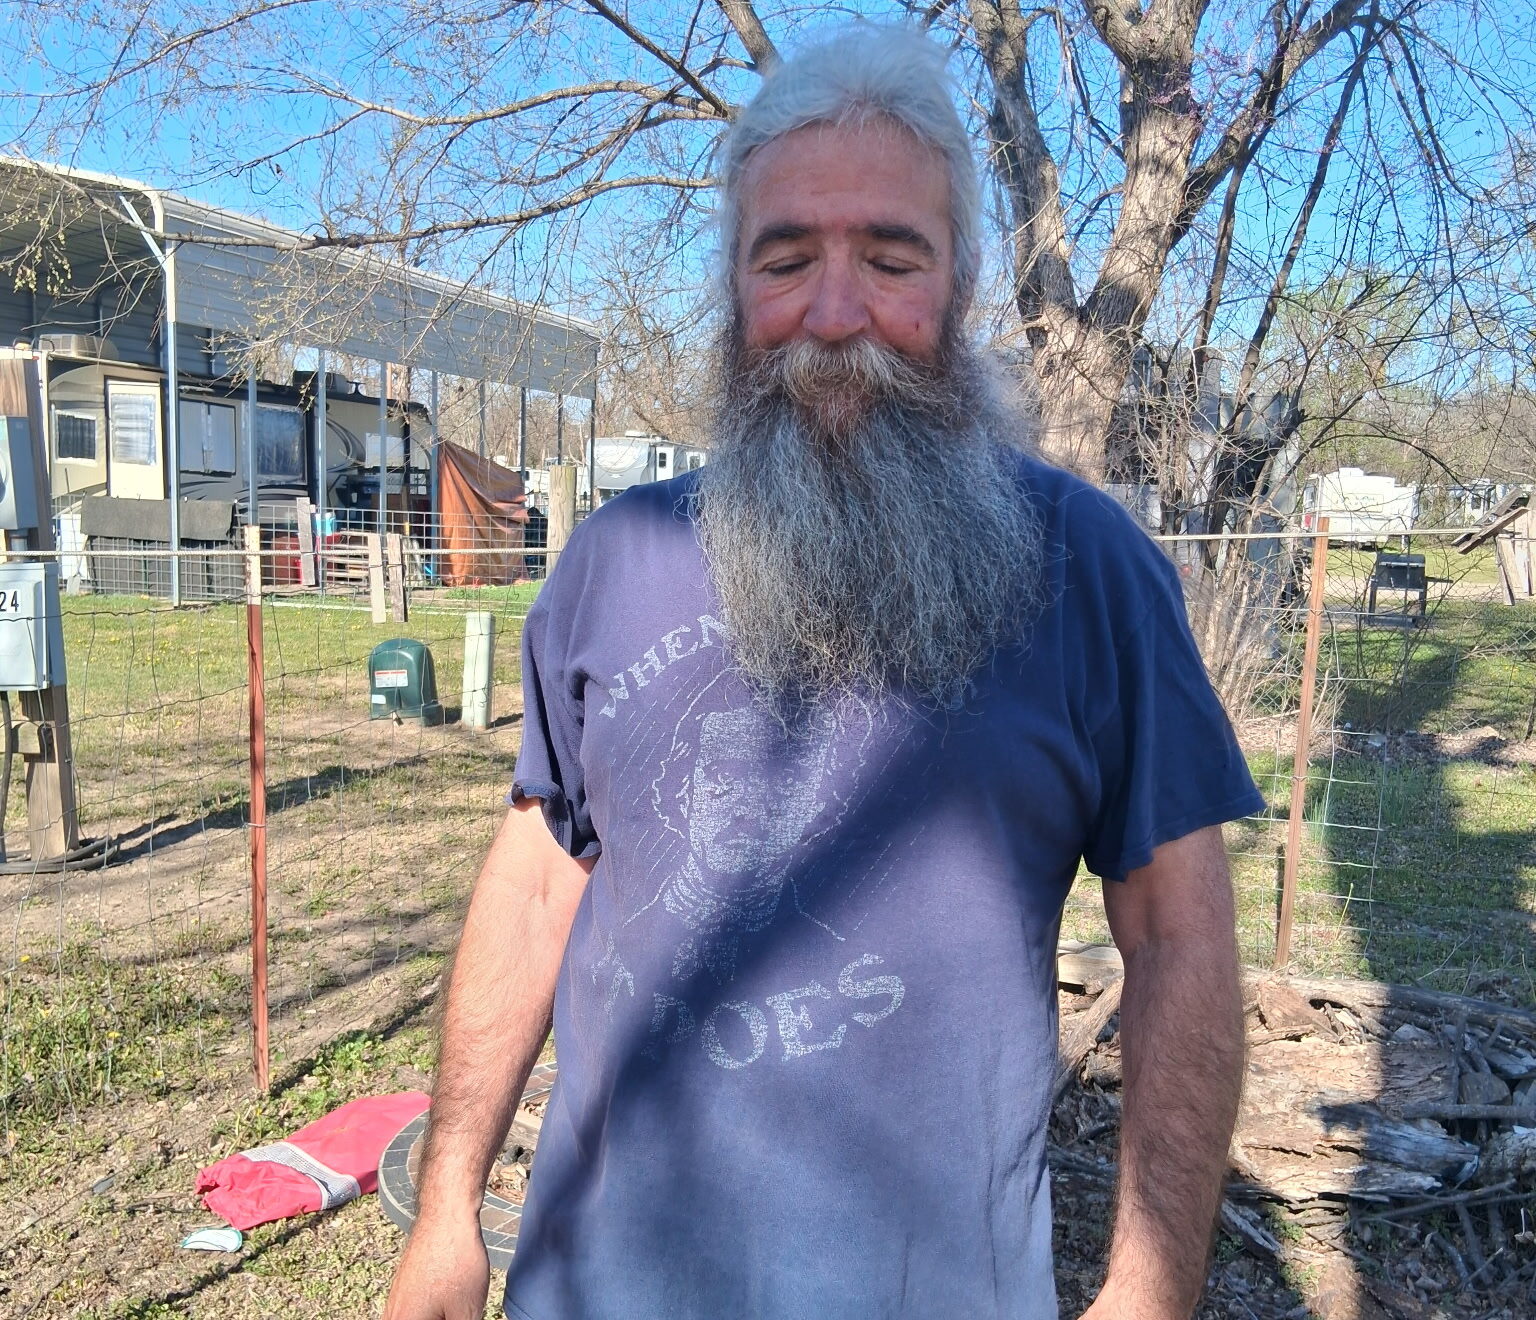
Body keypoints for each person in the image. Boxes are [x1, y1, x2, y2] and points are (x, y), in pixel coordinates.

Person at [384, 24, 1262, 1320]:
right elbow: (533, 883)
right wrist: (450, 1205)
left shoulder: (1089, 575)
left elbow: (1183, 942)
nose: (835, 313)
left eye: (889, 257)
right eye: (786, 257)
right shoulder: (612, 563)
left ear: (956, 286)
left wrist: (1149, 1288)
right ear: (736, 292)